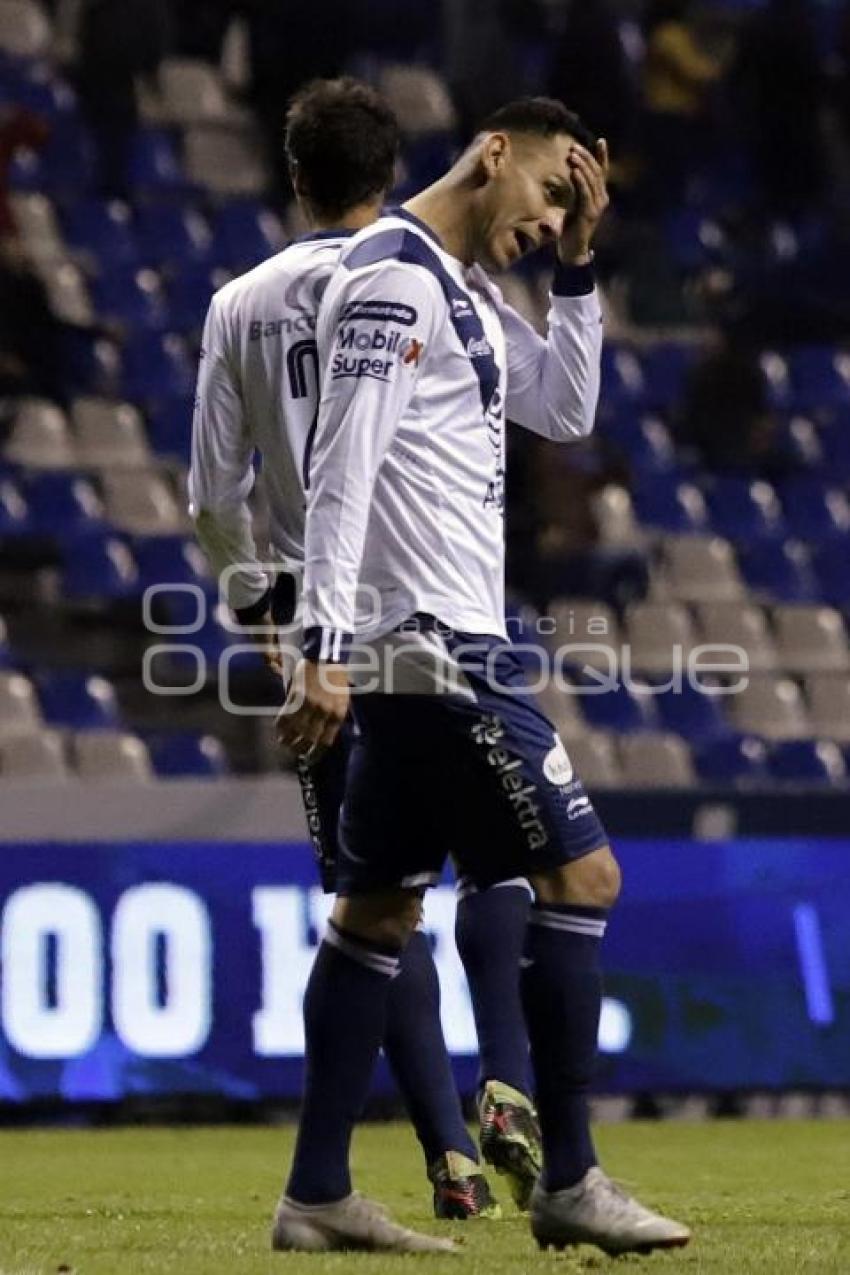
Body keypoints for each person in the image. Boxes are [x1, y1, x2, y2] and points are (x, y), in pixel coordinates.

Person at [276, 96, 692, 1256]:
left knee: (373, 914)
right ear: (491, 153)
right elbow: (340, 464)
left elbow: (563, 405)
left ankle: (314, 1193)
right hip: (433, 642)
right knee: (585, 881)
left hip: (431, 647)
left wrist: (578, 262)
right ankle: (569, 1177)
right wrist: (319, 645)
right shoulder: (394, 281)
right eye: (553, 189)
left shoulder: (457, 292)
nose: (551, 213)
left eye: (573, 202)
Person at [188, 77, 522, 1247]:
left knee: (372, 902)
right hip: (423, 618)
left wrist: (277, 628)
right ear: (393, 172)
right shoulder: (417, 281)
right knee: (472, 876)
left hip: (316, 637)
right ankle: (479, 1137)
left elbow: (211, 501)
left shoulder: (240, 302)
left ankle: (432, 1152)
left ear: (292, 177)